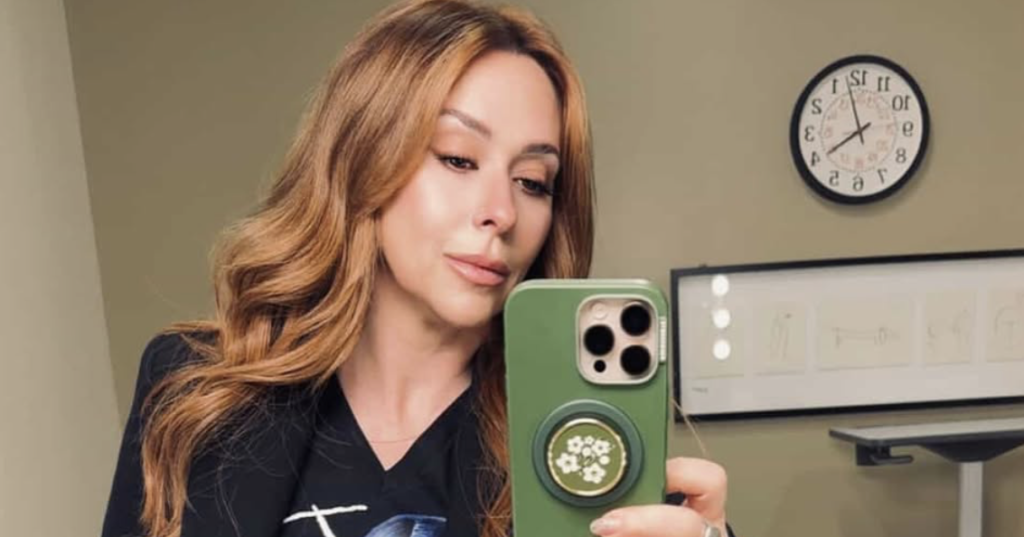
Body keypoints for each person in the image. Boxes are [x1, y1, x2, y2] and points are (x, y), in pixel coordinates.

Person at [101, 1, 731, 536]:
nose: (501, 212)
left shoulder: (578, 438)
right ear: (363, 159)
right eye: (459, 159)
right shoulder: (193, 390)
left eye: (533, 181)